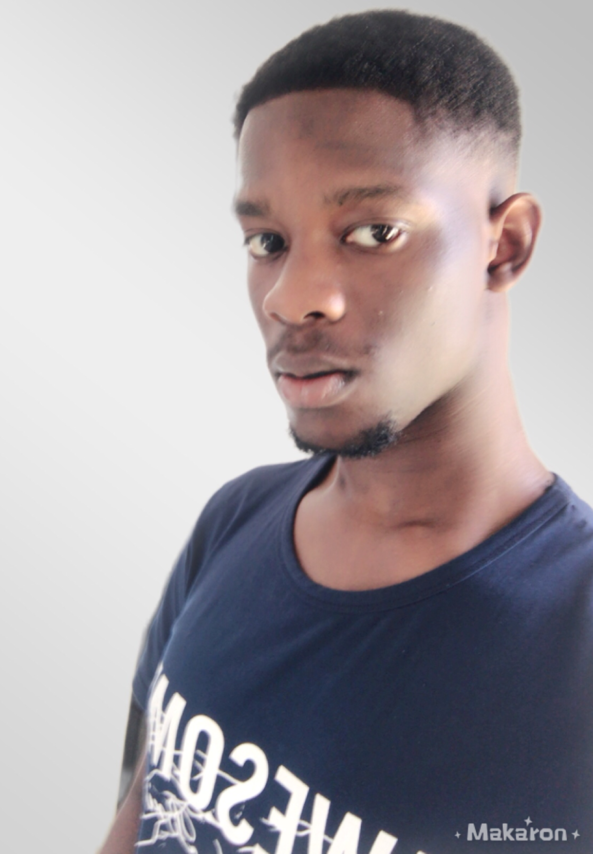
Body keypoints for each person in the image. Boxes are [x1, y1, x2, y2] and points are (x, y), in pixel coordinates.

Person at [98, 10, 593, 854]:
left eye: (374, 233)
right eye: (268, 241)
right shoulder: (235, 520)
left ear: (504, 246)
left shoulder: (574, 641)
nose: (292, 297)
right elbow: (144, 805)